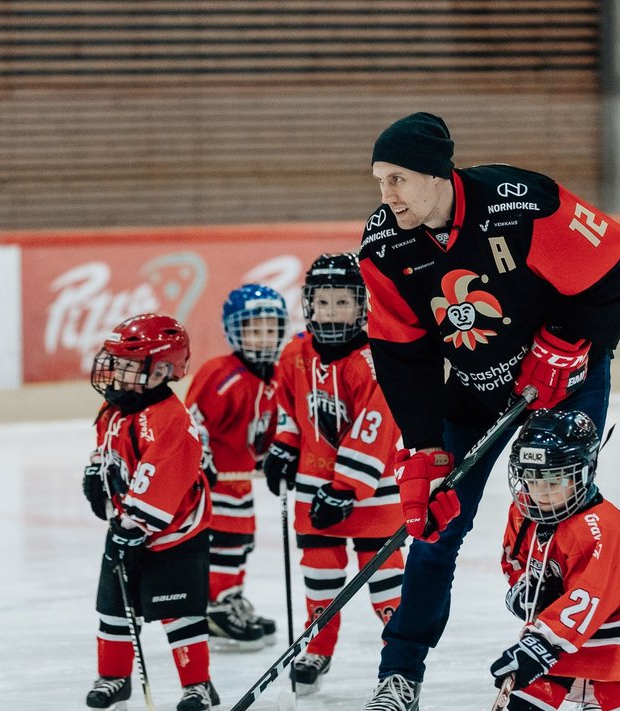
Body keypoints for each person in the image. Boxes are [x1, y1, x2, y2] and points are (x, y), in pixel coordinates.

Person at [357, 112, 620, 709]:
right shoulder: (384, 246)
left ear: (437, 174)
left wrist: (566, 339)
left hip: (565, 383)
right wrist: (421, 449)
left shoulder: (520, 202)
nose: (386, 197)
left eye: (398, 179)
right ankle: (400, 673)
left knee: (562, 518)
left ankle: (579, 668)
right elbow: (401, 355)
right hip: (471, 396)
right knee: (436, 531)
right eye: (379, 181)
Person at [260, 252, 405, 697]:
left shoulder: (376, 359)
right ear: (309, 305)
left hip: (372, 497)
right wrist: (283, 447)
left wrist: (345, 489)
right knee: (319, 578)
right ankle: (316, 647)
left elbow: (377, 426)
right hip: (311, 489)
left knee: (385, 586)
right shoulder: (294, 353)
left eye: (343, 302)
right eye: (324, 302)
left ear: (362, 306)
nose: (332, 311)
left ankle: (399, 660)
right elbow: (289, 409)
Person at [80, 314, 219, 711]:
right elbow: (106, 445)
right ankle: (113, 678)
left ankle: (198, 685)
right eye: (116, 361)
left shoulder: (171, 420)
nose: (115, 372)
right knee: (114, 608)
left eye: (127, 365)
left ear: (160, 371)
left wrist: (134, 524)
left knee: (180, 612)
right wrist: (96, 472)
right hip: (127, 528)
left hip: (174, 536)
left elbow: (162, 479)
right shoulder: (115, 408)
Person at [490, 409, 620, 711]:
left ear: (584, 471)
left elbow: (593, 594)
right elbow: (515, 561)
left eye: (553, 480)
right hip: (557, 639)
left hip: (613, 640)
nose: (540, 493)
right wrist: (524, 590)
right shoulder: (523, 513)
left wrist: (541, 643)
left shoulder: (603, 526)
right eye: (531, 478)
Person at [185, 284, 289, 651]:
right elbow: (192, 423)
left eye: (270, 328)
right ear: (234, 330)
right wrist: (202, 460)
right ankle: (214, 608)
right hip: (215, 485)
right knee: (224, 544)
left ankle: (230, 598)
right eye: (253, 329)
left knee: (241, 543)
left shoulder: (277, 375)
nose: (263, 338)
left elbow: (271, 429)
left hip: (240, 481)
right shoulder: (220, 374)